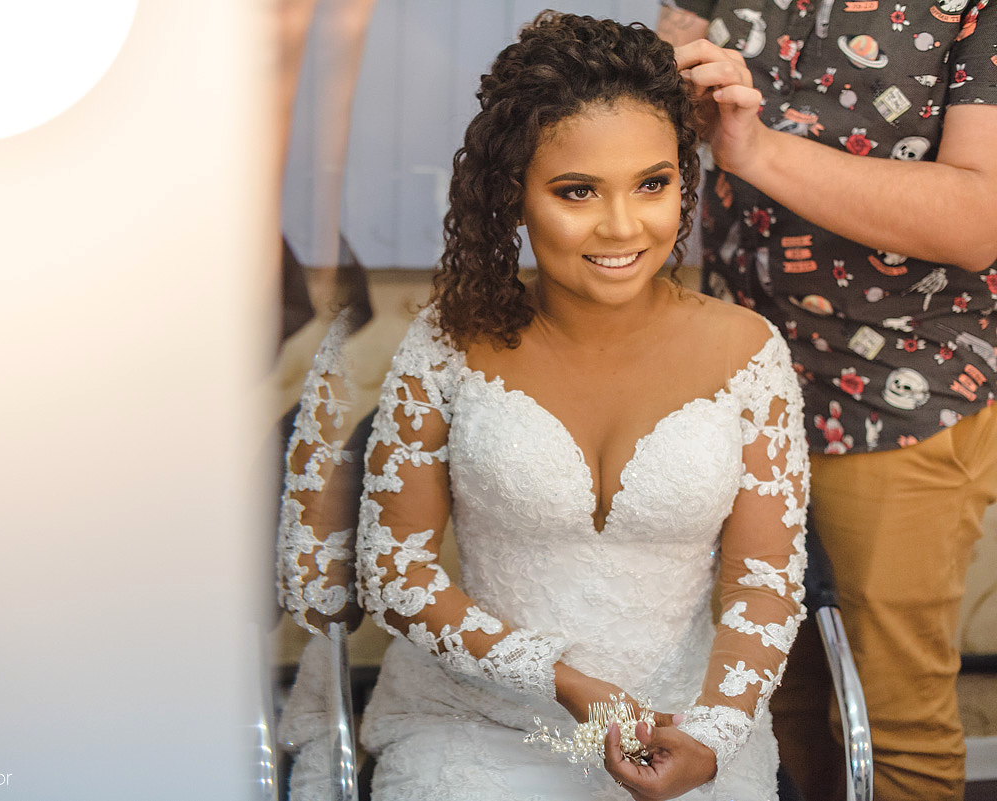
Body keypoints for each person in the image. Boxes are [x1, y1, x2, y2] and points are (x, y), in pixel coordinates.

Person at [355, 13, 809, 800]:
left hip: (689, 718)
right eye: (577, 191)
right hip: (482, 720)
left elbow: (765, 579)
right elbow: (396, 571)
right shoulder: (444, 344)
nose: (624, 225)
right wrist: (560, 681)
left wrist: (714, 732)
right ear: (513, 196)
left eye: (653, 184)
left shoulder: (749, 352)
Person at [656, 2, 997, 799]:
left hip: (900, 400)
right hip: (735, 379)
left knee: (890, 724)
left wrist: (755, 147)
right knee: (774, 693)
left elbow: (979, 219)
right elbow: (659, 71)